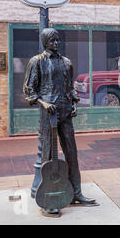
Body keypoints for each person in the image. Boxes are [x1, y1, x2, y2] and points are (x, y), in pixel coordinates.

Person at [23, 28, 97, 215]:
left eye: (58, 40)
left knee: (72, 154)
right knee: (48, 156)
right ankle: (49, 198)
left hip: (64, 112)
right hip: (49, 114)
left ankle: (76, 193)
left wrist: (74, 102)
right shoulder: (37, 62)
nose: (56, 43)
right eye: (52, 40)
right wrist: (43, 103)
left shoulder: (66, 63)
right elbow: (29, 91)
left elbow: (70, 88)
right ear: (45, 42)